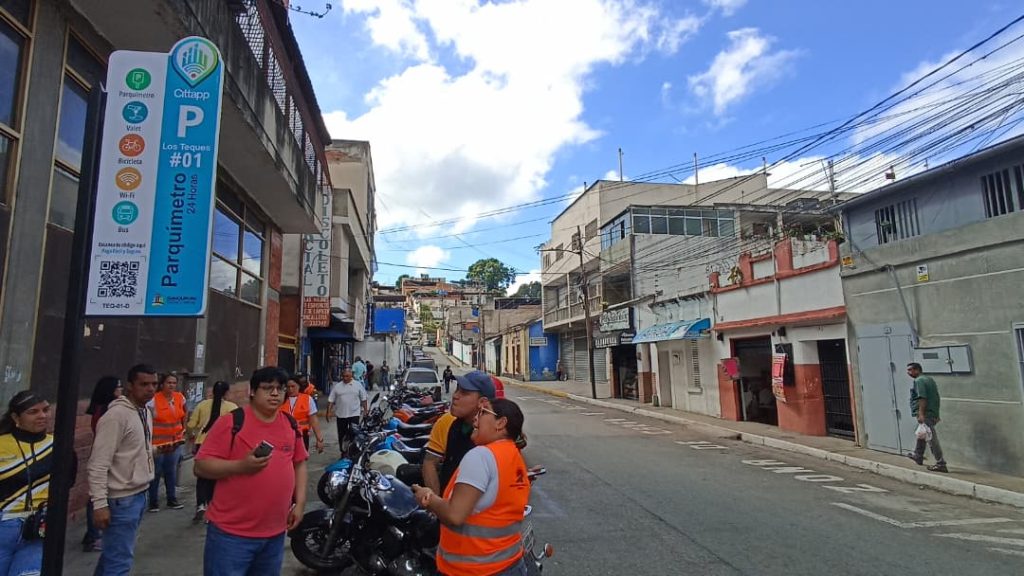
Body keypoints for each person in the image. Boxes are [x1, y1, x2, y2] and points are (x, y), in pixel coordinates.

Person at [195, 367, 308, 576]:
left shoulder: (290, 424)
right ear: (253, 391)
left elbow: (299, 464)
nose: (275, 393)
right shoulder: (231, 422)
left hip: (275, 533)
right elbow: (201, 466)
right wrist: (240, 466)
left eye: (280, 388)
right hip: (231, 535)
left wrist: (299, 504)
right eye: (268, 388)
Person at [412, 399, 531, 576]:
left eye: (483, 412)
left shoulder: (481, 456)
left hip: (473, 570)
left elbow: (454, 515)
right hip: (510, 564)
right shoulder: (514, 455)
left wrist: (427, 497)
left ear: (500, 423)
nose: (475, 418)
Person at [89, 364, 158, 576]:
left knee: (112, 556)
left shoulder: (144, 412)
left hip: (140, 493)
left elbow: (132, 450)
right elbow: (98, 463)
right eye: (144, 384)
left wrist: (155, 451)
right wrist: (100, 504)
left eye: (154, 384)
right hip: (121, 498)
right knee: (119, 562)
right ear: (130, 385)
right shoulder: (116, 416)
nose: (150, 389)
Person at [0, 392, 55, 575]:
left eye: (46, 410)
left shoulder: (58, 446)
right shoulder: (1, 444)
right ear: (16, 417)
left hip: (38, 529)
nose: (42, 416)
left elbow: (66, 483)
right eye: (33, 412)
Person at [423, 370, 496, 495]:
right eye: (457, 389)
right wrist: (436, 501)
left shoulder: (495, 434)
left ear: (482, 402)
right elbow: (430, 462)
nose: (455, 396)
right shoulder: (448, 422)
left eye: (464, 393)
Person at [186, 380, 237, 523]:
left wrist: (192, 435)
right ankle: (211, 507)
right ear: (227, 393)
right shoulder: (232, 407)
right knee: (216, 478)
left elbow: (191, 425)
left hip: (202, 444)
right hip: (222, 446)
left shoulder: (202, 405)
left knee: (202, 476)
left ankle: (200, 505)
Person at [82, 376, 122, 552]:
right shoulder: (108, 412)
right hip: (106, 456)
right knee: (97, 497)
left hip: (105, 454)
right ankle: (94, 536)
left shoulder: (101, 409)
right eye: (118, 387)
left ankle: (92, 534)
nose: (121, 390)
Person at [148, 372, 187, 512]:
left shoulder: (180, 397)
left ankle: (172, 499)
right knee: (156, 472)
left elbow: (184, 413)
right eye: (168, 382)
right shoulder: (154, 400)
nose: (171, 385)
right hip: (158, 443)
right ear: (162, 384)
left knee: (171, 471)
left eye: (174, 383)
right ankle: (153, 501)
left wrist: (184, 428)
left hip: (175, 442)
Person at [906, 362, 947, 473]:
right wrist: (936, 414)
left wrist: (921, 414)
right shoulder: (929, 379)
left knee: (931, 438)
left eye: (910, 370)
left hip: (926, 414)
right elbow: (936, 397)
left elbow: (922, 398)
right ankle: (918, 455)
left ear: (917, 370)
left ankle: (941, 463)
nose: (908, 373)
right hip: (931, 412)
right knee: (922, 434)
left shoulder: (919, 381)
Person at [326, 369, 367, 454]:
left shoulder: (358, 385)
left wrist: (365, 410)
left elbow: (364, 398)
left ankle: (353, 451)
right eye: (343, 376)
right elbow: (331, 400)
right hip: (341, 414)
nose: (345, 378)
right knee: (342, 434)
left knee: (354, 433)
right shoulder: (337, 386)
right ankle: (343, 451)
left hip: (354, 414)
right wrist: (328, 412)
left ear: (351, 376)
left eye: (347, 376)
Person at [281, 376, 324, 454]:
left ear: (298, 386)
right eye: (288, 387)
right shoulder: (280, 400)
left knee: (301, 458)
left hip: (302, 435)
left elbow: (314, 420)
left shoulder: (307, 399)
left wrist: (319, 439)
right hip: (284, 435)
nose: (290, 389)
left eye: (293, 386)